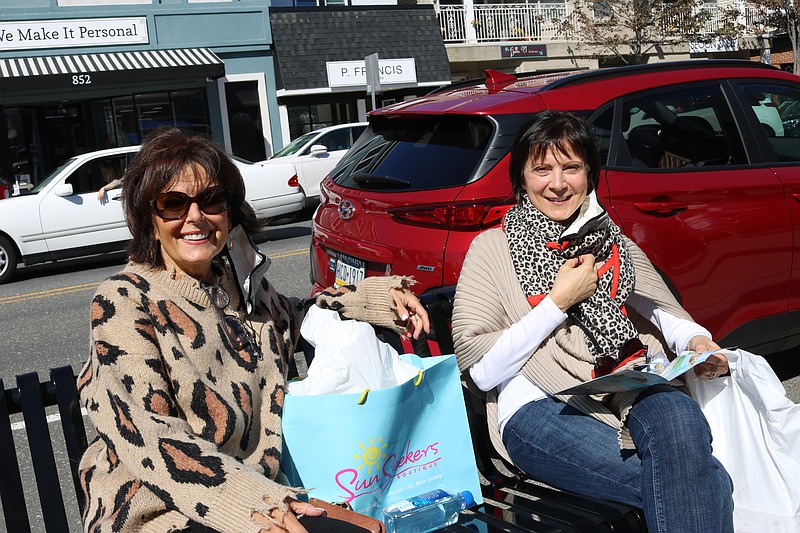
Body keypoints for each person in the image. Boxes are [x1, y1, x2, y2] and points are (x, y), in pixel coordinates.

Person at [76, 127, 429, 533]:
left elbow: (295, 317)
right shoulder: (123, 299)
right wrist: (254, 506)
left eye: (211, 200)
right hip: (158, 508)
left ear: (228, 211)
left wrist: (380, 299)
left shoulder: (237, 283)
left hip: (257, 489)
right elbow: (153, 437)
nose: (195, 217)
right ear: (149, 220)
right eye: (173, 204)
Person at [451, 110, 734, 532]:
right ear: (522, 178)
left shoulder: (609, 238)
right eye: (542, 169)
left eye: (572, 167)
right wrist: (559, 301)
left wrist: (695, 340)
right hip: (537, 406)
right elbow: (483, 371)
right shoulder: (491, 248)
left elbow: (660, 308)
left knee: (680, 424)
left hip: (627, 381)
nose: (558, 183)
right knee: (704, 480)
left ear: (590, 174)